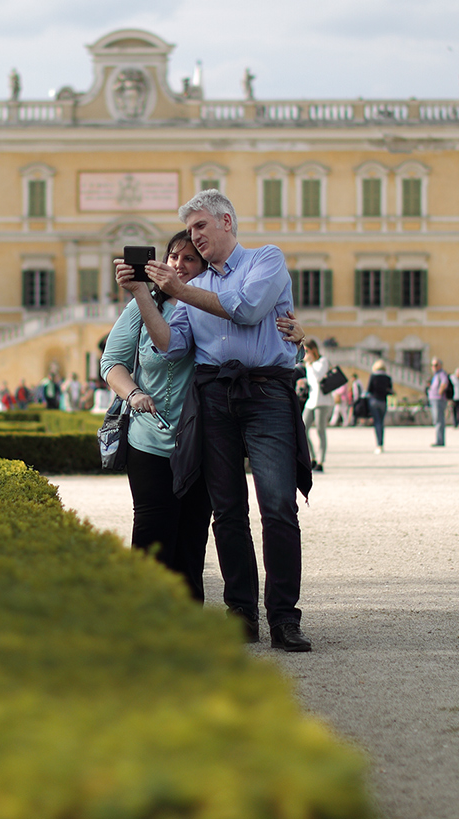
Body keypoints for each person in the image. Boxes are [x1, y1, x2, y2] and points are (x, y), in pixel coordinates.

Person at [136, 189, 314, 653]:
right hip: (214, 395)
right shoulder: (192, 287)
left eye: (200, 226)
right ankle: (241, 614)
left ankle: (284, 618)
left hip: (267, 392)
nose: (194, 236)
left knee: (278, 506)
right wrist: (142, 295)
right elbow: (170, 345)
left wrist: (180, 290)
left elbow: (248, 308)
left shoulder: (265, 260)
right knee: (228, 511)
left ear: (227, 221)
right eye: (190, 229)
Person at [103, 231, 216, 601]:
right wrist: (133, 393)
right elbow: (112, 362)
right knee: (152, 536)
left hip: (202, 442)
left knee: (191, 540)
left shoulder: (214, 308)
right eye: (173, 257)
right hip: (150, 439)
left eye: (190, 259)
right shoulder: (143, 306)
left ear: (205, 267)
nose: (179, 265)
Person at [299, 341, 334, 472]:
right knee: (303, 429)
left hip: (322, 402)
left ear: (314, 350)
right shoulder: (310, 365)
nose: (306, 354)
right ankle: (312, 458)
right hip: (311, 401)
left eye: (307, 351)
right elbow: (311, 382)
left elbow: (318, 378)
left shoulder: (322, 361)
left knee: (320, 430)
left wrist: (309, 364)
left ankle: (321, 461)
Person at [366, 360, 393, 454]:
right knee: (381, 423)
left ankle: (378, 445)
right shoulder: (387, 377)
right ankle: (381, 443)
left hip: (374, 401)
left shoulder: (373, 376)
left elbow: (369, 390)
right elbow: (390, 390)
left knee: (376, 422)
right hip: (383, 402)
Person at [427, 357, 450, 447]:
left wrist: (440, 392)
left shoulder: (442, 374)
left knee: (439, 419)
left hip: (438, 399)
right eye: (432, 365)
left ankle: (440, 440)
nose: (433, 367)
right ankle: (438, 439)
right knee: (436, 420)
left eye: (436, 365)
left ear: (440, 365)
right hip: (434, 399)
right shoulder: (435, 375)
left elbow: (444, 383)